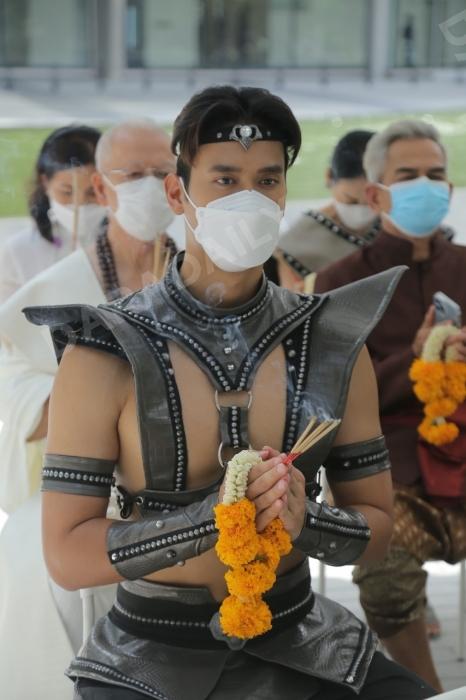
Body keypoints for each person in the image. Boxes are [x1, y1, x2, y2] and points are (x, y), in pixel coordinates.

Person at [26, 87, 434, 699]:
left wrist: (306, 520)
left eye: (267, 180)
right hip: (149, 656)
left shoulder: (330, 341)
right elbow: (65, 555)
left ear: (285, 193)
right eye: (224, 180)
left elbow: (377, 533)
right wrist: (211, 520)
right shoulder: (105, 350)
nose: (250, 198)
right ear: (177, 194)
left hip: (305, 640)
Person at [0, 120, 177, 700]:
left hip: (196, 482)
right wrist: (91, 396)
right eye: (134, 174)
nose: (151, 186)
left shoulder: (207, 274)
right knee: (34, 556)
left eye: (163, 172)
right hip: (88, 488)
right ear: (102, 188)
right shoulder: (53, 291)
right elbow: (19, 391)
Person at [315, 119, 466, 694]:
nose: (425, 185)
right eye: (408, 175)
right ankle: (428, 690)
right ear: (376, 194)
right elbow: (332, 393)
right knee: (383, 558)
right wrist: (417, 357)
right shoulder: (342, 283)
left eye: (435, 174)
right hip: (389, 469)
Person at [0, 125, 106, 304]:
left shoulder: (126, 247)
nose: (80, 204)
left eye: (92, 192)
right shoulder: (18, 252)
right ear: (45, 182)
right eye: (67, 192)